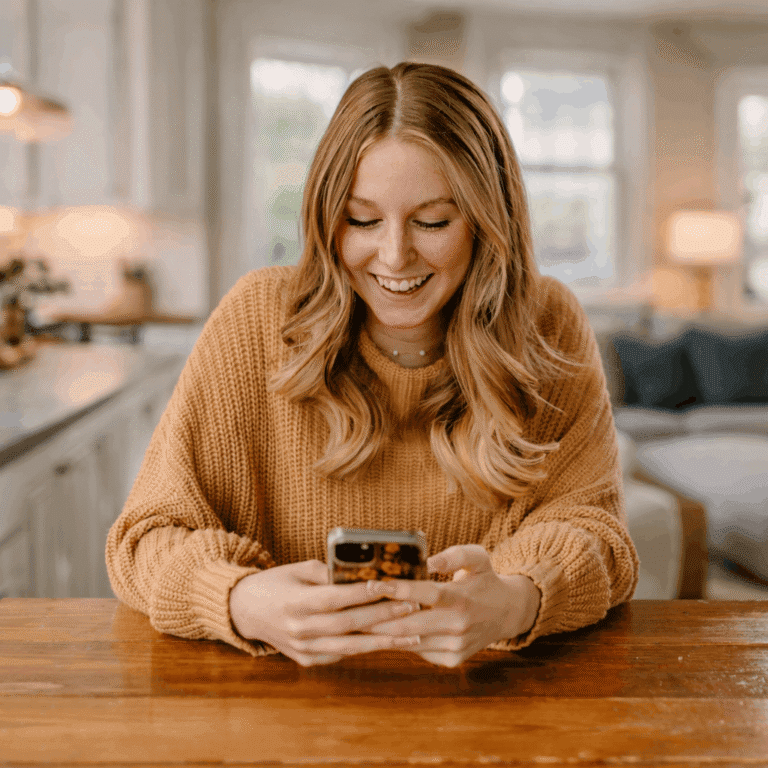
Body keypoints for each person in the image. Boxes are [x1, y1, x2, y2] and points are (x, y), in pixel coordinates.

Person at [106, 62, 639, 668]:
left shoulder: (548, 324)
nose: (393, 255)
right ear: (327, 217)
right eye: (361, 220)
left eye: (433, 221)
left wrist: (516, 602)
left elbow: (598, 536)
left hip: (484, 708)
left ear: (489, 224)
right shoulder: (257, 319)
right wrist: (242, 601)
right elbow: (146, 538)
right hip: (276, 709)